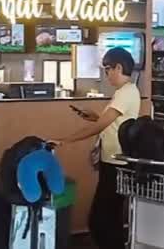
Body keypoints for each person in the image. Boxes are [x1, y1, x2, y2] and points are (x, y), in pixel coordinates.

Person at [52, 47, 141, 249]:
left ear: (119, 67)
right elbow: (109, 121)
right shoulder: (123, 92)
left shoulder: (127, 92)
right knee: (108, 218)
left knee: (101, 220)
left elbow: (101, 126)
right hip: (111, 160)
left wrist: (65, 140)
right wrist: (91, 115)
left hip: (117, 163)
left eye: (108, 69)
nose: (106, 74)